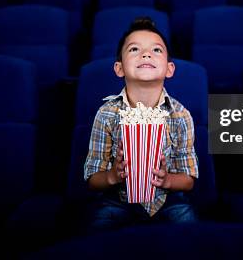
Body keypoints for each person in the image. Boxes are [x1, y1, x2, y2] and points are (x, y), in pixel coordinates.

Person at [83, 17, 199, 232]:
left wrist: (167, 181)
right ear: (119, 68)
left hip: (168, 200)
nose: (146, 54)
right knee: (95, 237)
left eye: (156, 50)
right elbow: (92, 180)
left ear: (169, 69)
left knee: (191, 237)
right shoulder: (107, 114)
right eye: (134, 49)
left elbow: (188, 180)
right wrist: (112, 176)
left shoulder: (181, 115)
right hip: (117, 199)